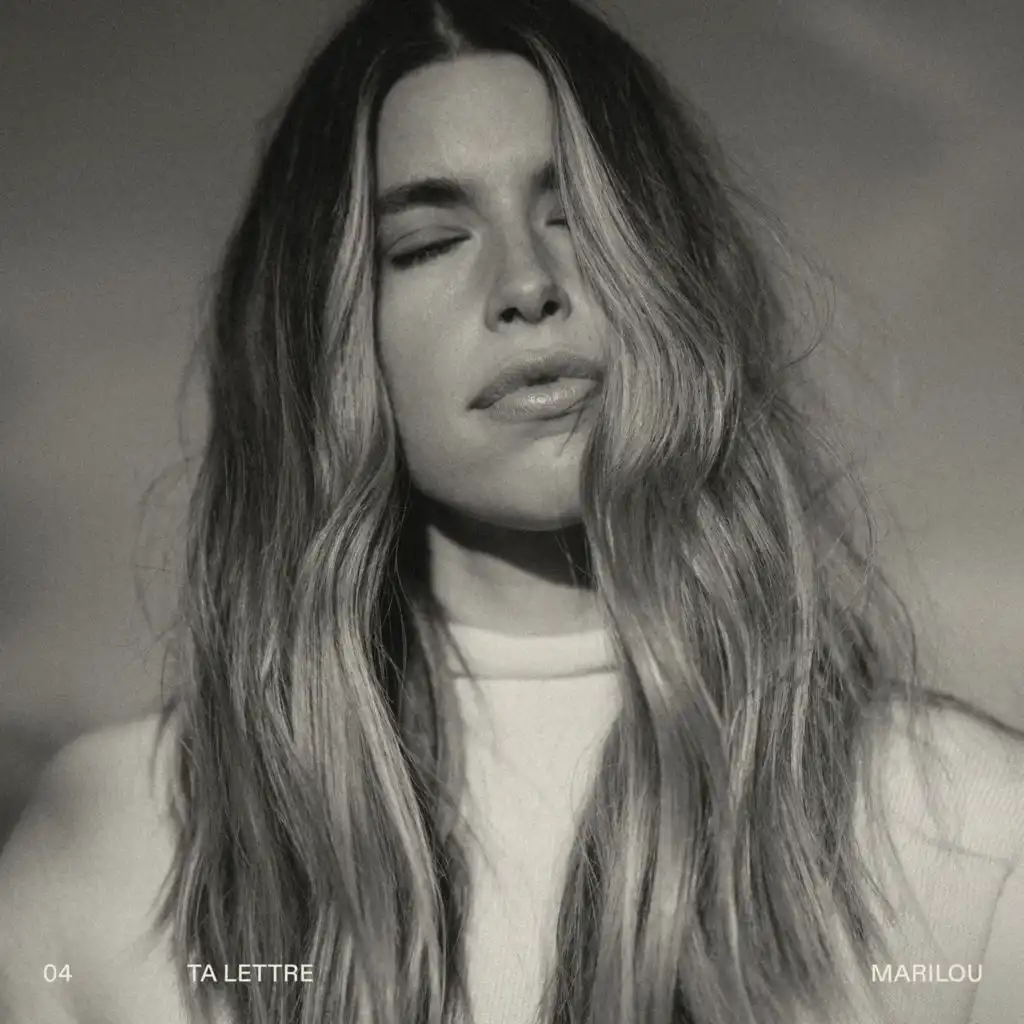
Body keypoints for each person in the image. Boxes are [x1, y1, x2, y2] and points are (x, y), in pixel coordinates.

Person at [1, 0, 1022, 1022]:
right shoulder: (116, 845)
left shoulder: (971, 834)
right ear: (324, 338)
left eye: (576, 213)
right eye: (428, 242)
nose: (527, 283)